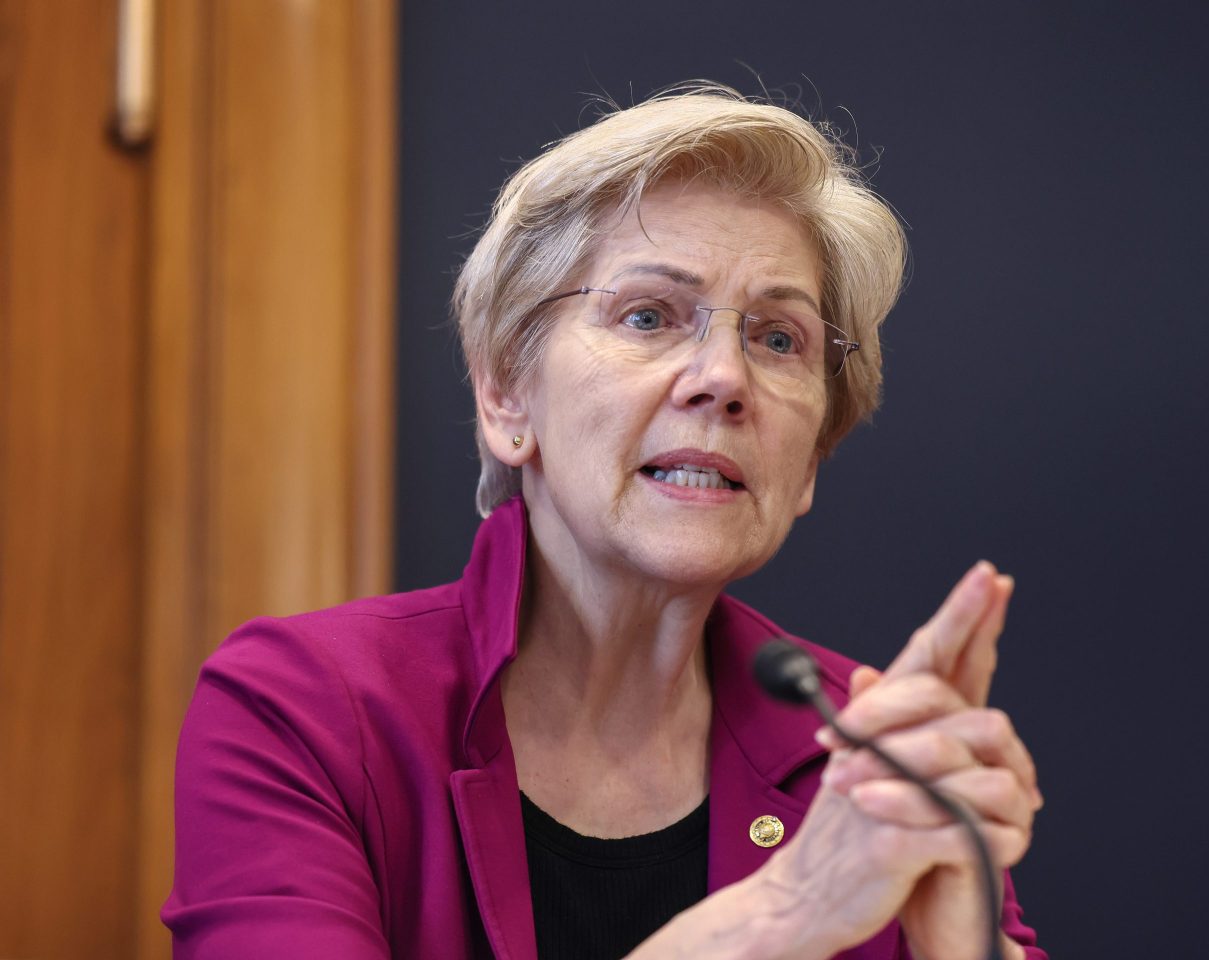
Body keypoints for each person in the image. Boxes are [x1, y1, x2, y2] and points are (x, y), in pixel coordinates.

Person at [162, 84, 1047, 960]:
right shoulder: (306, 711)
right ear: (507, 394)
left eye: (780, 339)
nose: (724, 378)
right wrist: (778, 921)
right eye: (649, 315)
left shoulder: (871, 765)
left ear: (813, 453)